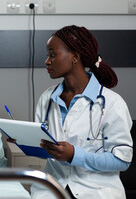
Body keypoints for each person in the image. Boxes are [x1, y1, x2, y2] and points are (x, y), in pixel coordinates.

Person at [31, 25, 133, 198]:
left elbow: (122, 160)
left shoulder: (112, 103)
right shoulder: (46, 99)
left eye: (53, 54)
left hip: (97, 192)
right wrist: (25, 140)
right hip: (51, 190)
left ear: (75, 57)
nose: (47, 61)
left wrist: (74, 155)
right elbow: (43, 148)